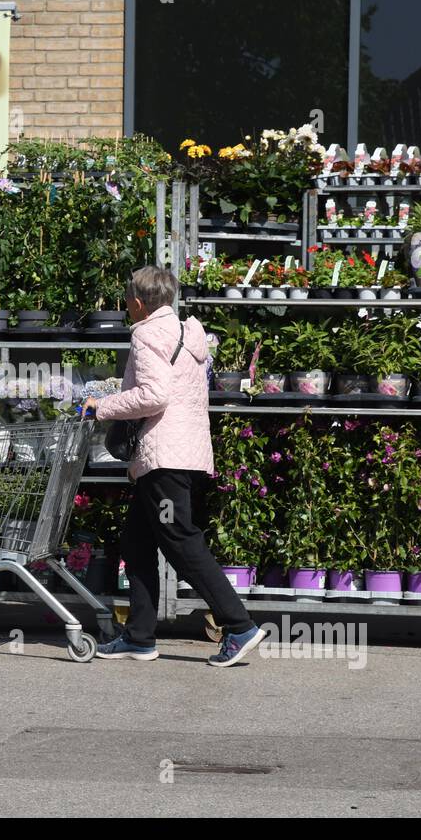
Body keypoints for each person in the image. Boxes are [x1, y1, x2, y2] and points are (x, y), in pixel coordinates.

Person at [83, 265, 267, 667]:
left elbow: (153, 395)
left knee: (181, 540)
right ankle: (139, 637)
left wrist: (103, 407)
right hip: (183, 451)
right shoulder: (189, 332)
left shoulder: (147, 333)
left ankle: (239, 626)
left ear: (136, 302)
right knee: (136, 541)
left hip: (164, 457)